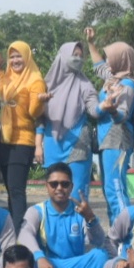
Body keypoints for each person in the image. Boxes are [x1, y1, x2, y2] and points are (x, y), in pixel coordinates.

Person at [17, 163, 110, 268]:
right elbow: (24, 235)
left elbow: (99, 241)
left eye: (64, 184)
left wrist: (90, 218)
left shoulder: (80, 212)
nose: (59, 188)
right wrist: (39, 257)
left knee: (100, 255)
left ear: (71, 186)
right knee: (21, 257)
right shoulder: (37, 211)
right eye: (54, 184)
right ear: (46, 186)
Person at [0, 41, 48, 227]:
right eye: (12, 56)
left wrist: (40, 101)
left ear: (27, 57)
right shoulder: (8, 76)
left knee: (17, 191)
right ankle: (13, 228)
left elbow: (34, 113)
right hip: (3, 140)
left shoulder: (36, 81)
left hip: (22, 141)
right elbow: (0, 89)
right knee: (10, 190)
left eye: (19, 56)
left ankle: (20, 233)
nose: (15, 60)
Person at [88, 30, 134, 224]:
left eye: (111, 58)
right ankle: (115, 233)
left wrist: (111, 111)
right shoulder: (112, 79)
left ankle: (127, 234)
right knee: (108, 188)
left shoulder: (127, 85)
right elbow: (98, 66)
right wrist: (91, 43)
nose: (107, 62)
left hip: (117, 140)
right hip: (106, 141)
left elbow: (123, 115)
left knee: (115, 188)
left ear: (121, 60)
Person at [40, 40, 99, 199]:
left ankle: (80, 224)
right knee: (56, 193)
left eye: (81, 56)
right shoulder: (46, 84)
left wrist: (104, 107)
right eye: (74, 55)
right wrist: (38, 145)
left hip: (78, 143)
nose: (78, 59)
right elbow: (38, 117)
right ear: (63, 56)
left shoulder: (84, 84)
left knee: (78, 192)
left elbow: (94, 109)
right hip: (52, 143)